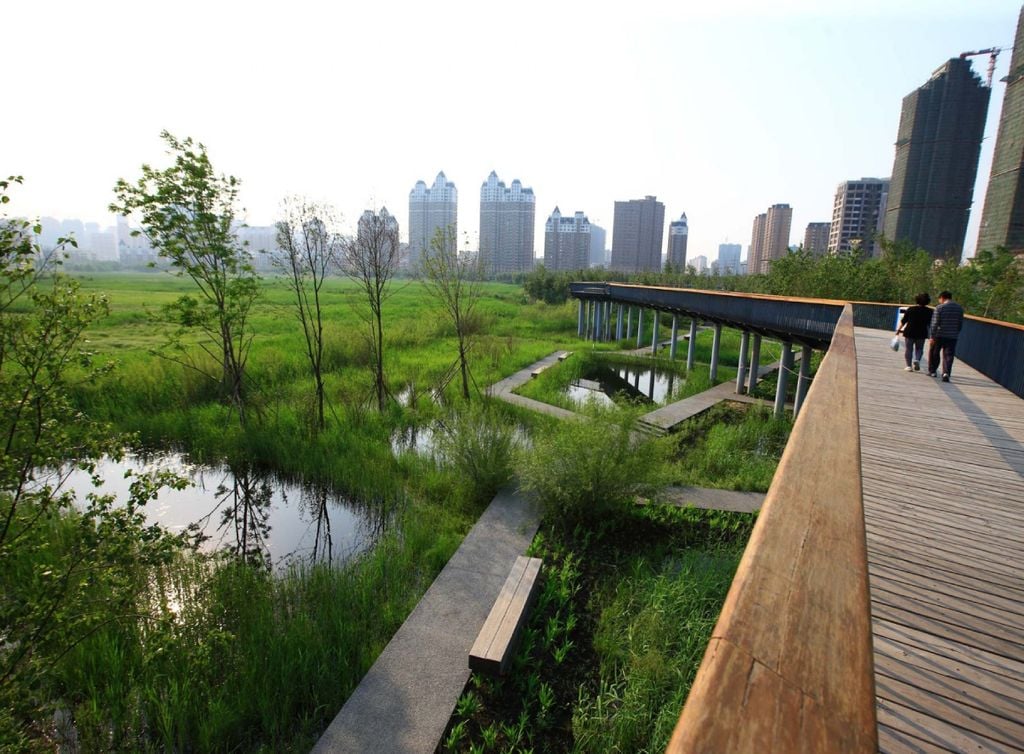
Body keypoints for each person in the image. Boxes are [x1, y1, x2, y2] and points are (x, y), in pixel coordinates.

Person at [928, 290, 965, 382]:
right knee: (949, 355)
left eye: (939, 299)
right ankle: (946, 373)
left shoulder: (939, 308)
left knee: (934, 353)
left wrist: (932, 336)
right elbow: (960, 323)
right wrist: (956, 332)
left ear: (942, 298)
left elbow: (935, 323)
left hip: (939, 335)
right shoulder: (959, 308)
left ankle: (933, 371)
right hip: (952, 335)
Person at [896, 293, 932, 371]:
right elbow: (930, 324)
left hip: (909, 332)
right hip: (921, 333)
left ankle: (909, 366)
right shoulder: (929, 311)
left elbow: (904, 321)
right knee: (919, 349)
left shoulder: (911, 309)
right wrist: (931, 335)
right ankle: (917, 359)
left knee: (909, 349)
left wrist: (899, 330)